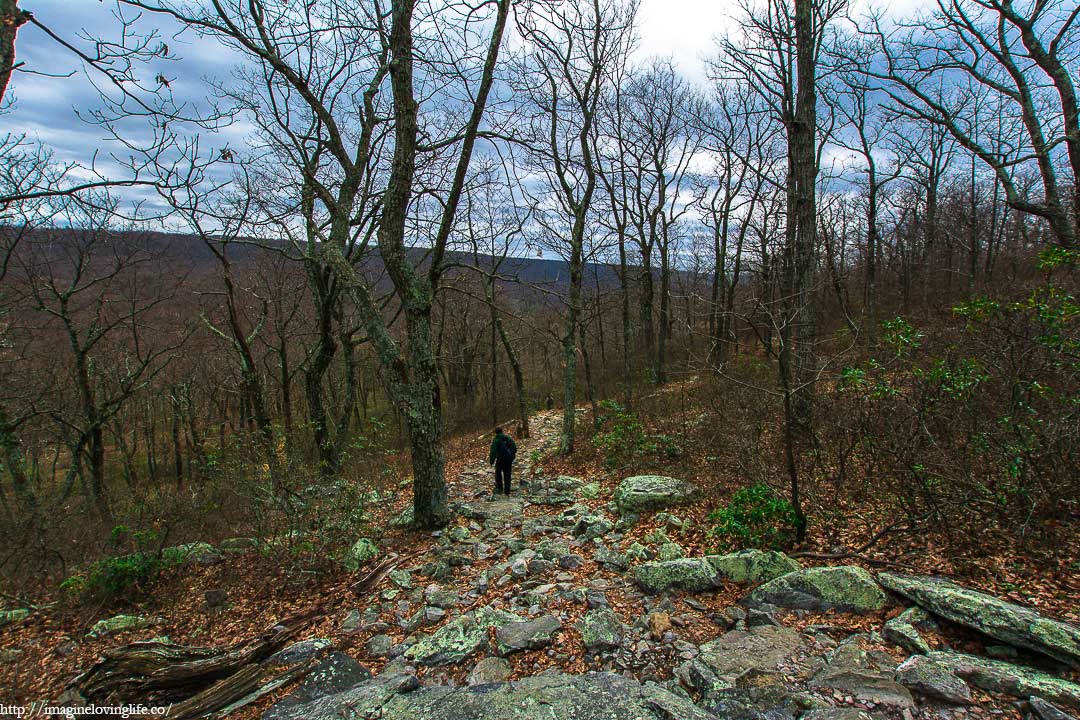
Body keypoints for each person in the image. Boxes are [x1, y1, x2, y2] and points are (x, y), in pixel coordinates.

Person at [488, 426, 517, 497]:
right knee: (507, 474)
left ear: (495, 433)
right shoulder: (508, 438)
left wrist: (491, 461)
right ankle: (507, 490)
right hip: (508, 460)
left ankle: (500, 488)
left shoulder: (496, 440)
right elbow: (514, 448)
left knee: (498, 473)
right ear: (502, 431)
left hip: (500, 460)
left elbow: (493, 451)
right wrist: (511, 457)